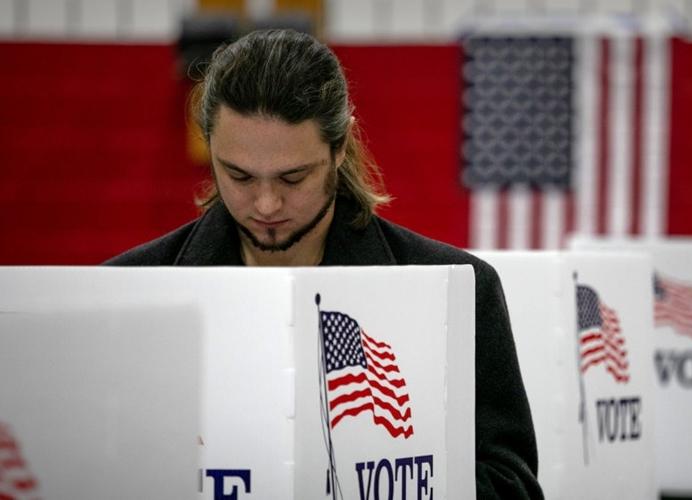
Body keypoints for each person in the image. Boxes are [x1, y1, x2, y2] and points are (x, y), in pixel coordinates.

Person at [105, 28, 544, 499]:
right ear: (209, 148)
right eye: (239, 176)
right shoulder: (125, 292)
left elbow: (512, 485)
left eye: (293, 177)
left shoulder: (459, 290)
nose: (267, 203)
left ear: (339, 149)